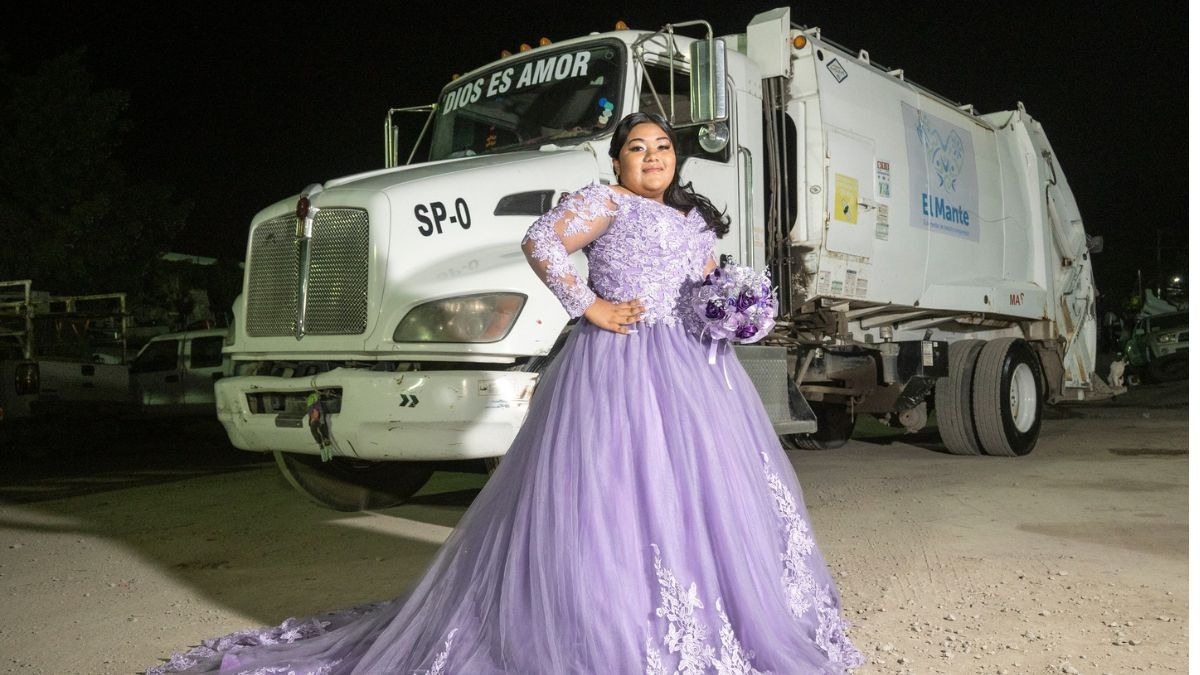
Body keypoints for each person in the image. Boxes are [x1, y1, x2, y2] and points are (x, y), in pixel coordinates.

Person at [147, 112, 863, 674]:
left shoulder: (694, 219)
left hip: (695, 372)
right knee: (614, 496)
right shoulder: (604, 202)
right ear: (617, 160)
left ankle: (715, 619)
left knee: (702, 497)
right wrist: (591, 306)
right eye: (638, 147)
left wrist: (736, 308)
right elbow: (542, 241)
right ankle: (609, 629)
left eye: (662, 148)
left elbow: (708, 281)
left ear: (676, 160)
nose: (652, 156)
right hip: (617, 364)